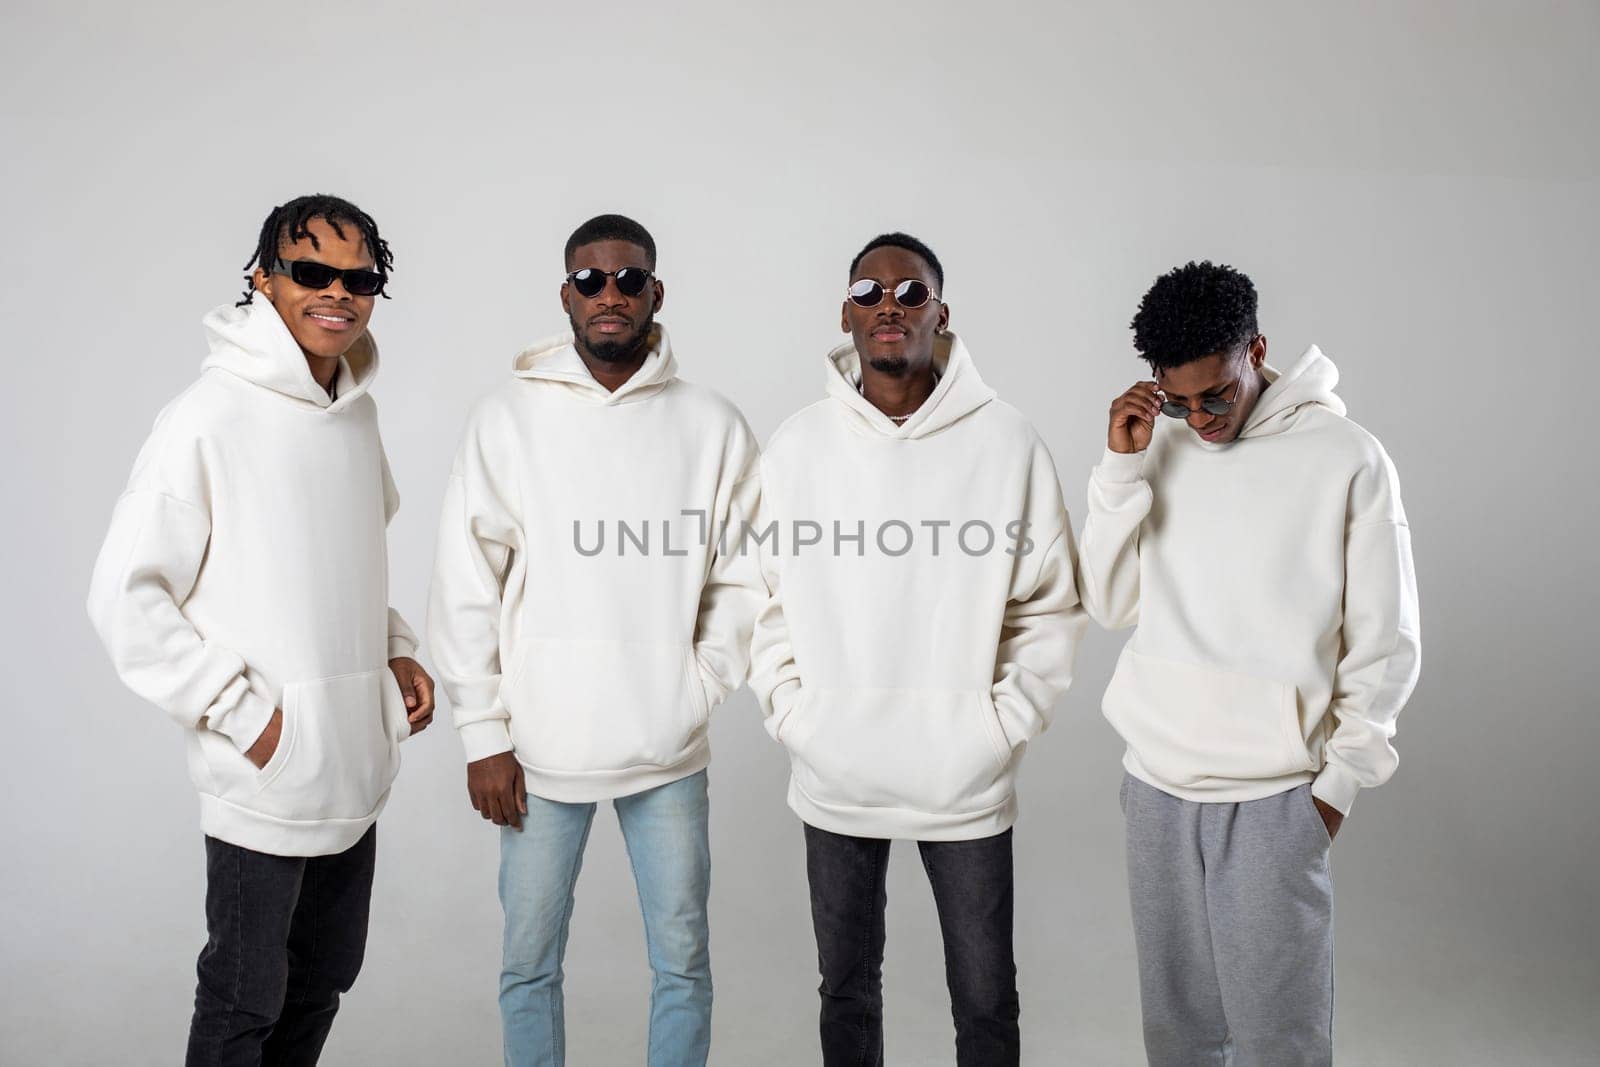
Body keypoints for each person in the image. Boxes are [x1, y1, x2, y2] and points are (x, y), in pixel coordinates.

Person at [87, 194, 434, 1065]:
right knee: (244, 998)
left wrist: (393, 651)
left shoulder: (357, 414)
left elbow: (349, 562)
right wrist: (246, 718)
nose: (338, 293)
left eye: (360, 278)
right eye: (312, 272)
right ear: (262, 280)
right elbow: (124, 597)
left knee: (321, 981)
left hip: (353, 767)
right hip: (265, 775)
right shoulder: (206, 418)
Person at [427, 214, 763, 1066]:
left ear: (656, 292)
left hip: (669, 748)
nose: (608, 295)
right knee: (529, 965)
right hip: (536, 752)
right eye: (590, 280)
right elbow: (467, 583)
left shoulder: (713, 425)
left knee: (683, 964)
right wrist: (483, 732)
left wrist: (698, 684)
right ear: (565, 294)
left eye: (627, 279)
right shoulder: (506, 418)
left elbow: (747, 575)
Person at [748, 232, 1086, 1066]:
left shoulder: (1007, 443)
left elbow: (1050, 603)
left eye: (910, 292)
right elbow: (760, 599)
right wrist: (798, 716)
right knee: (847, 991)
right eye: (870, 290)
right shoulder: (797, 446)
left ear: (941, 313)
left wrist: (999, 724)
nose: (889, 305)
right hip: (834, 772)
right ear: (846, 314)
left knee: (985, 1001)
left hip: (964, 776)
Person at [1079, 260, 1422, 1066]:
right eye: (1179, 400)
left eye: (1216, 395)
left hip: (1276, 797)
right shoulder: (1157, 445)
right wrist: (1121, 468)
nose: (1199, 419)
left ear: (1256, 350)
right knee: (1179, 1036)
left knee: (1280, 1041)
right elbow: (1105, 599)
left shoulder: (1347, 457)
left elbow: (1386, 638)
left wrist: (1336, 788)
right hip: (1156, 787)